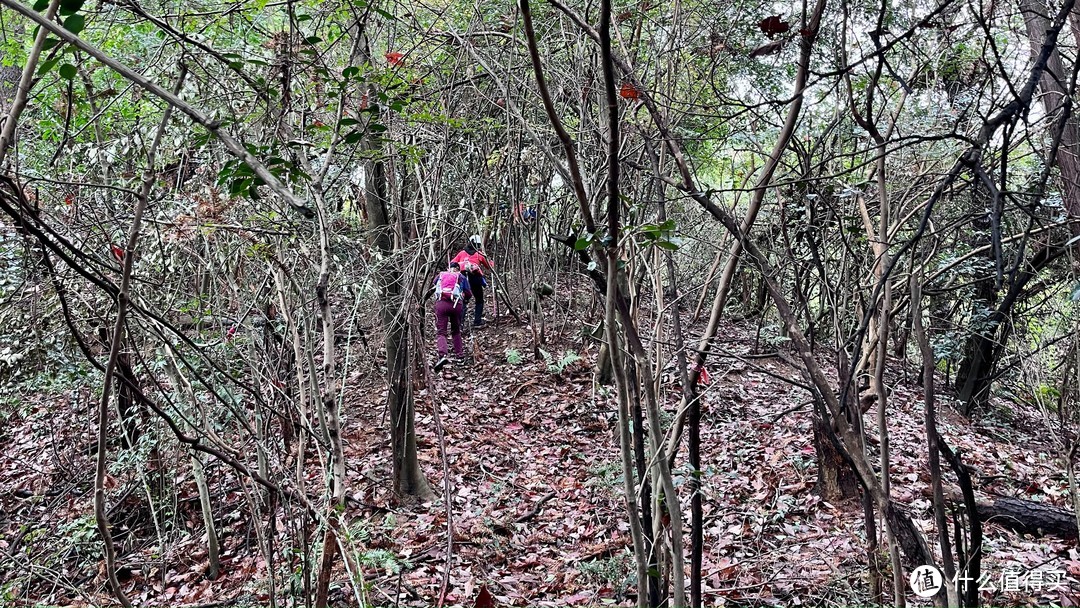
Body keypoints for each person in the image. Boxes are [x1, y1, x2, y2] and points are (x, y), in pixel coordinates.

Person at [433, 262, 472, 368]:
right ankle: (460, 356)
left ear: (448, 268)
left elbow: (434, 284)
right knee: (456, 331)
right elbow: (468, 293)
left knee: (441, 332)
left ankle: (442, 355)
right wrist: (465, 298)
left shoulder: (441, 275)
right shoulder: (461, 277)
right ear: (458, 269)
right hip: (456, 305)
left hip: (441, 304)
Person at [452, 235, 493, 327]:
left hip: (462, 278)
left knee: (463, 300)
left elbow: (452, 263)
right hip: (475, 278)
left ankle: (460, 323)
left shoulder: (462, 253)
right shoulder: (479, 254)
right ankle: (477, 321)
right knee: (479, 300)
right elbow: (489, 266)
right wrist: (491, 262)